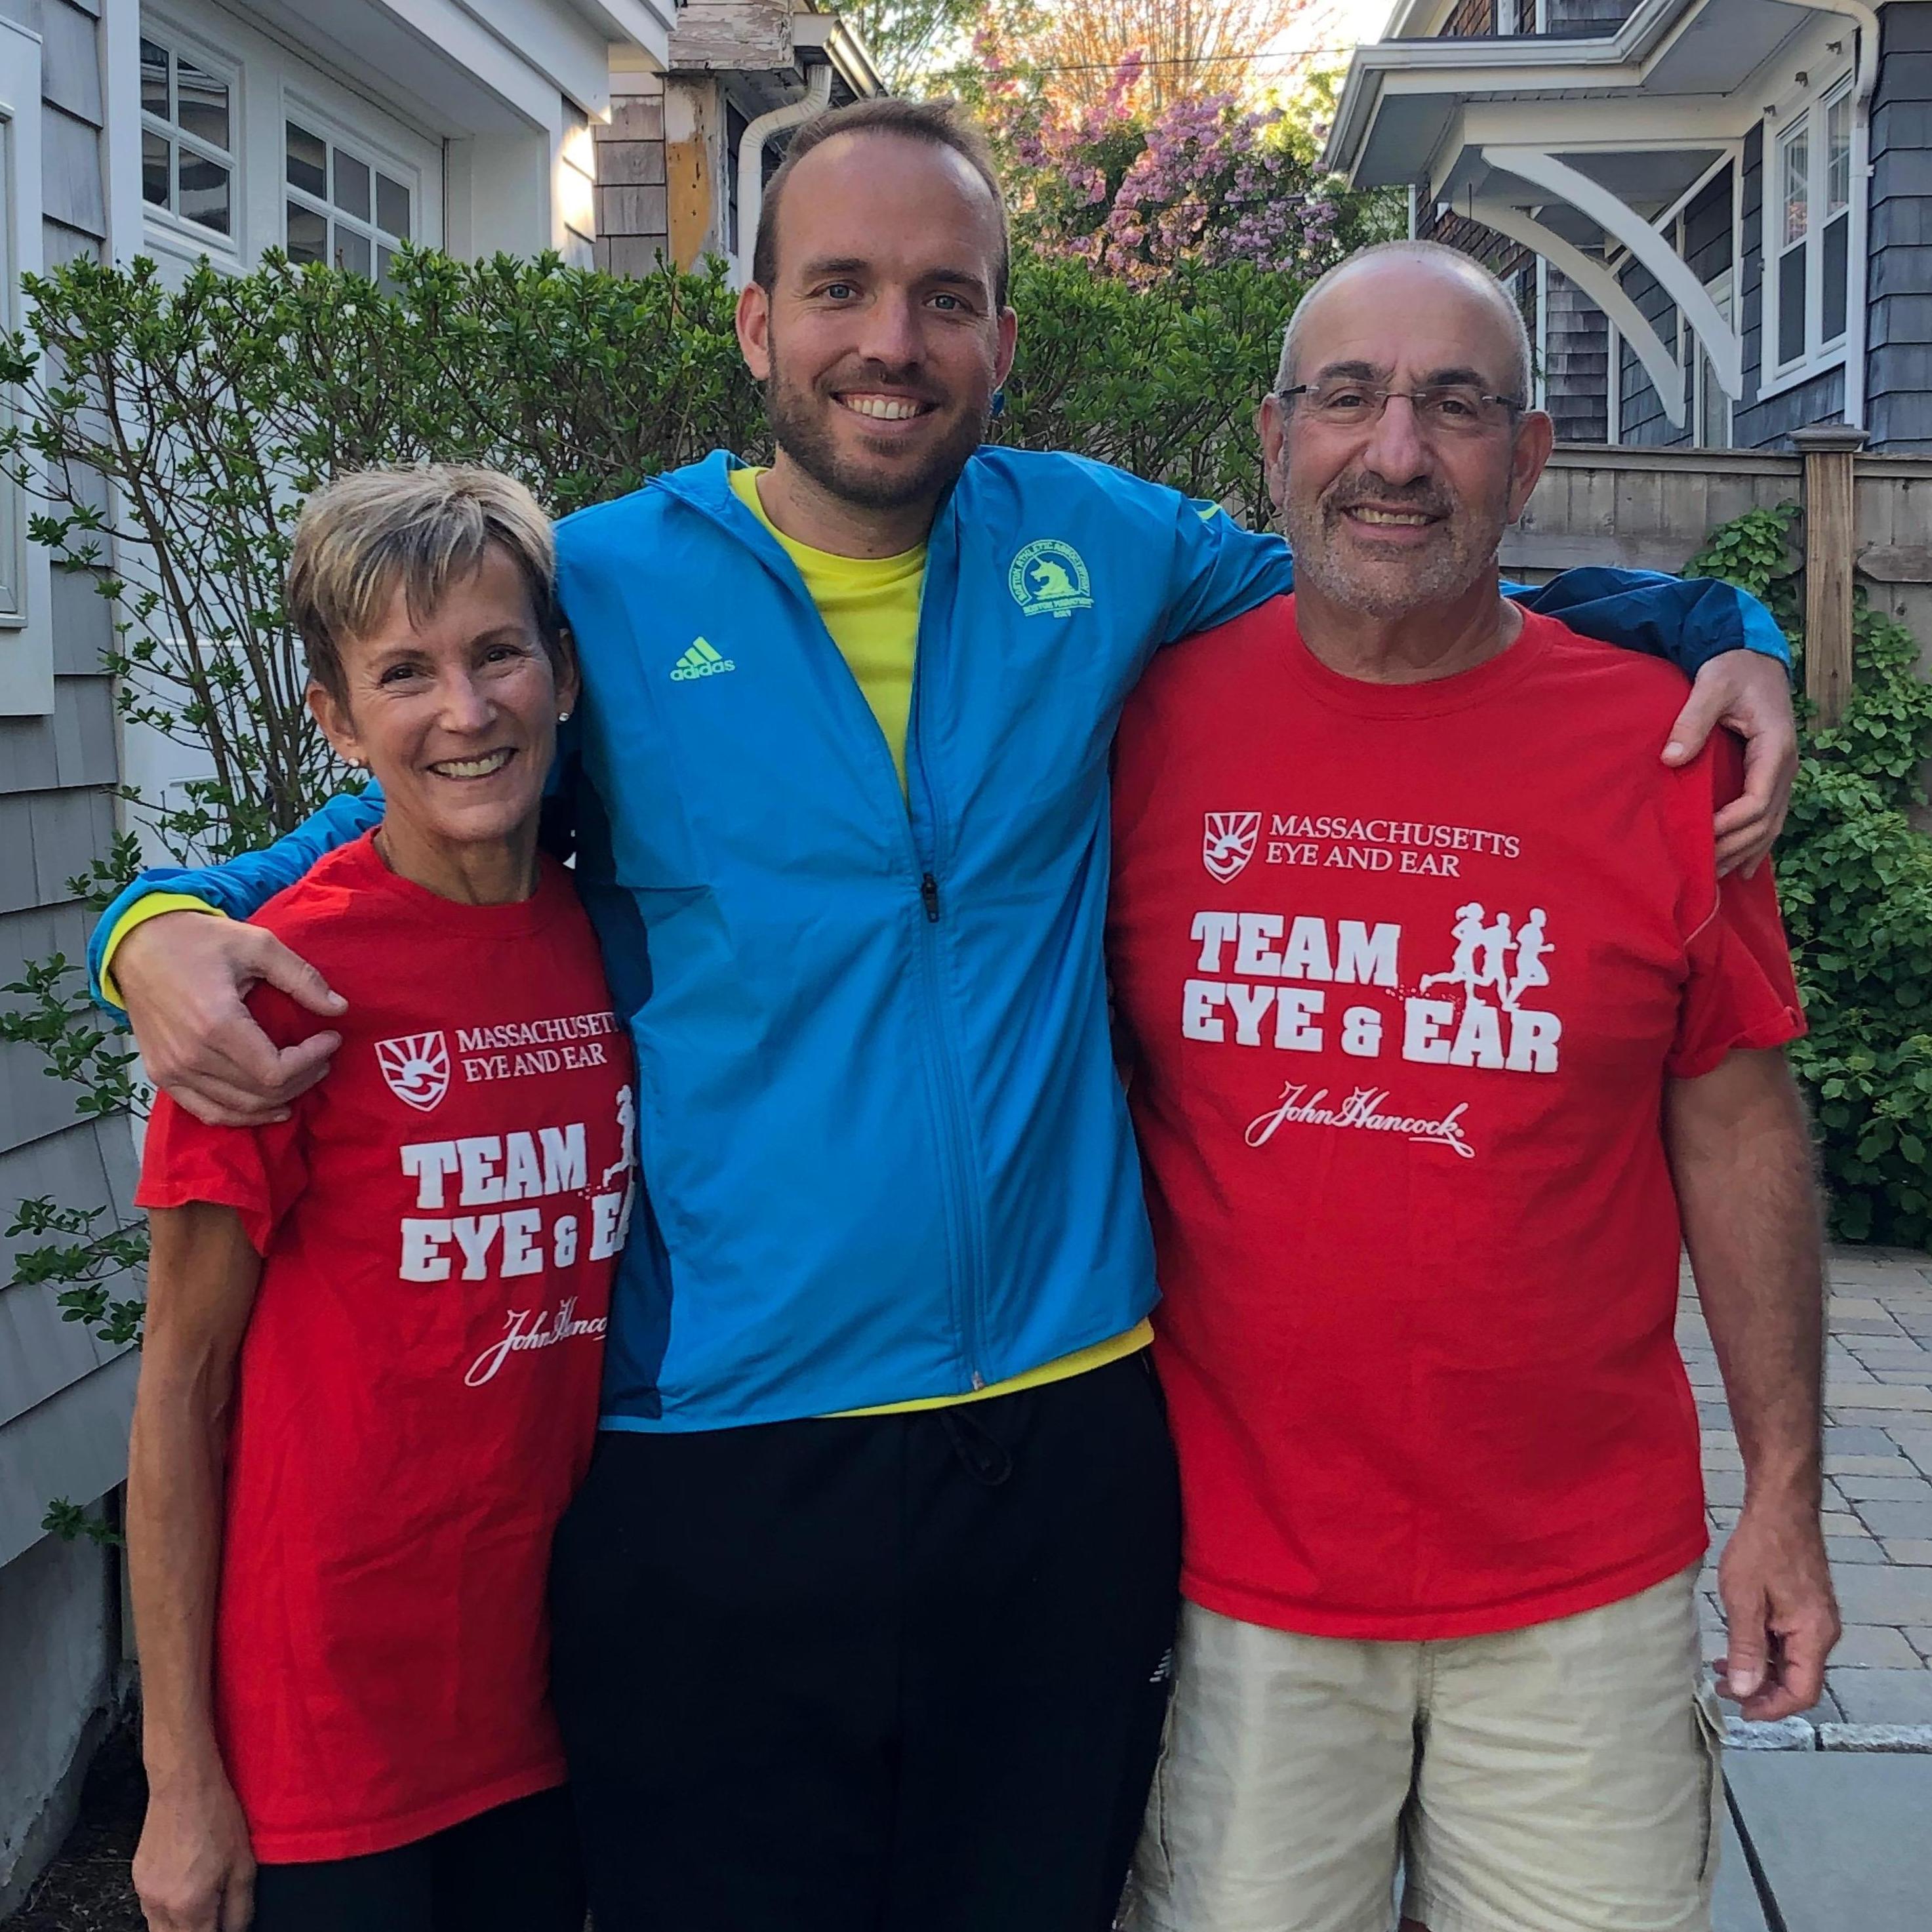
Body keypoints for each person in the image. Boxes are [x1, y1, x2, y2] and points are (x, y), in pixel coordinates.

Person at [95, 102, 1800, 1932]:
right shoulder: (604, 584)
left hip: (1057, 1441)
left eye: (944, 296)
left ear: (1001, 337)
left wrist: (1719, 612)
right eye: (839, 288)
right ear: (753, 323)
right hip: (726, 1457)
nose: (890, 342)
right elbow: (424, 778)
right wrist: (159, 917)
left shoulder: (1110, 551)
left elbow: (1398, 570)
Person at [1106, 241, 1837, 1932]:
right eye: (1349, 397)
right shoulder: (1133, 728)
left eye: (1455, 403)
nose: (1398, 452)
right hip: (1238, 1592)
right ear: (1276, 436)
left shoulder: (1664, 749)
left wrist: (1785, 1498)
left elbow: (1735, 1130)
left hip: (1582, 1588)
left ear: (1533, 452)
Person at [126, 469, 632, 1932]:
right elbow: (179, 1390)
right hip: (322, 1744)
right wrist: (178, 1778)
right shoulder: (274, 988)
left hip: (547, 1717)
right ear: (337, 721)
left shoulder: (616, 945)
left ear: (563, 674)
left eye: (496, 654)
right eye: (403, 675)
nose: (465, 712)